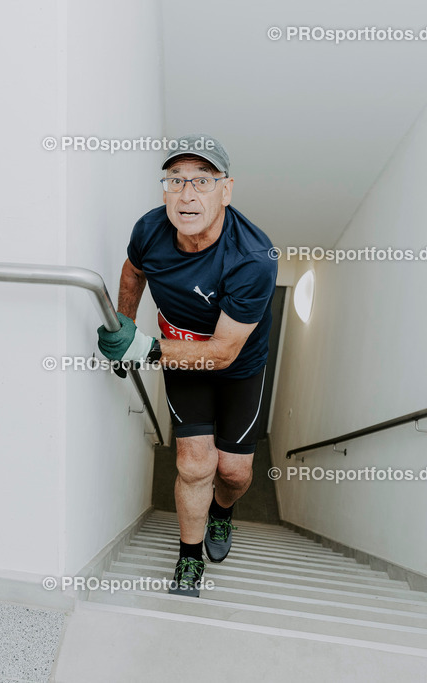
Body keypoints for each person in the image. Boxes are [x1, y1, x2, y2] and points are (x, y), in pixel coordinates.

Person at [97, 134, 277, 597]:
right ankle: (189, 556)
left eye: (202, 180)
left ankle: (222, 512)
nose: (187, 194)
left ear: (226, 190)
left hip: (238, 367)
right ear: (165, 191)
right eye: (175, 180)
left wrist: (142, 348)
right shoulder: (149, 230)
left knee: (233, 472)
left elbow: (223, 352)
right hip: (181, 359)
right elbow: (133, 271)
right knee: (195, 465)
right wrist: (123, 324)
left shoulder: (253, 260)